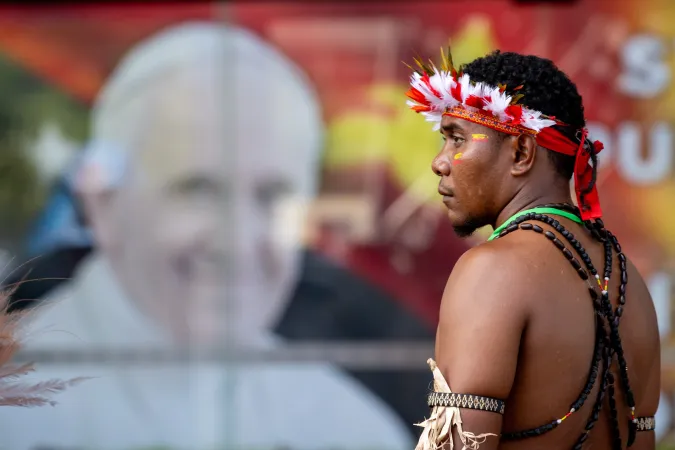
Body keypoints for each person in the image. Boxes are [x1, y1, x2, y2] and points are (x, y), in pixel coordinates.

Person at [0, 22, 411, 450]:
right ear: (104, 206)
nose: (237, 240)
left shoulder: (348, 429)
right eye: (198, 190)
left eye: (272, 196)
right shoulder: (12, 411)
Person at [406, 50, 660, 450]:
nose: (440, 162)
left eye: (457, 138)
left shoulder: (492, 270)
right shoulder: (630, 284)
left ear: (522, 152)